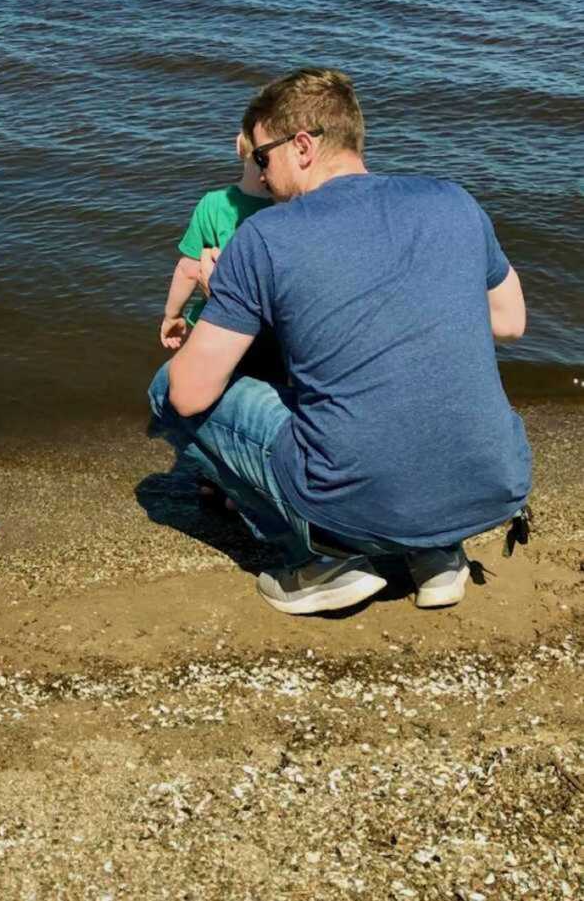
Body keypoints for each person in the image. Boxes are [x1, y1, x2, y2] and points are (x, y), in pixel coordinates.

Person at [149, 68, 532, 615]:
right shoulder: (453, 202)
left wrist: (227, 293)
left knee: (166, 390)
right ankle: (437, 552)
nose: (262, 174)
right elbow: (510, 321)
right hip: (494, 484)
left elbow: (188, 392)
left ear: (302, 146)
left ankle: (324, 558)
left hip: (361, 497)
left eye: (263, 158)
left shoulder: (267, 236)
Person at [160, 131, 272, 351]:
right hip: (269, 335)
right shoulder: (290, 206)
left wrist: (172, 316)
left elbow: (189, 270)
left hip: (216, 327)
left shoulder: (214, 204)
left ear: (240, 148)